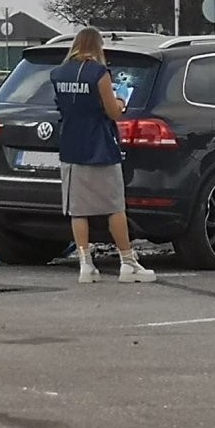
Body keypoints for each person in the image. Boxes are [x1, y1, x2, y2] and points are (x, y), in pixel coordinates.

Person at [49, 26, 155, 284]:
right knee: (114, 206)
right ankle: (128, 263)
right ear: (97, 46)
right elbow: (113, 112)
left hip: (71, 147)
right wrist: (122, 101)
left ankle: (86, 265)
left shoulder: (58, 73)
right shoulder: (99, 73)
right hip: (100, 148)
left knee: (78, 209)